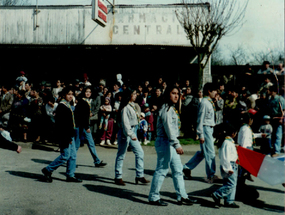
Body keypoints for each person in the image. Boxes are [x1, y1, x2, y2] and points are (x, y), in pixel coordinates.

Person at [148, 86, 197, 206]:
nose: (176, 96)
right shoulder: (166, 109)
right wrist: (177, 145)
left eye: (178, 93)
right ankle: (153, 196)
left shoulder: (172, 108)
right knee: (162, 169)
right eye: (173, 93)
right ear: (167, 95)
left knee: (178, 170)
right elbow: (169, 129)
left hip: (170, 142)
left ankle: (182, 196)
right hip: (165, 142)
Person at [41, 86, 82, 183]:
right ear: (64, 95)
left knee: (73, 156)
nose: (71, 96)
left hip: (70, 134)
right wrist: (67, 137)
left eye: (72, 94)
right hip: (64, 135)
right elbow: (61, 124)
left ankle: (70, 175)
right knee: (65, 156)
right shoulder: (61, 106)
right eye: (69, 94)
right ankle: (48, 169)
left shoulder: (68, 105)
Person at [183, 83, 218, 183]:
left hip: (209, 128)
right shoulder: (204, 103)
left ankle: (186, 167)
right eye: (214, 91)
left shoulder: (209, 102)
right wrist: (201, 134)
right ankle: (211, 175)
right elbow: (200, 120)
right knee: (210, 153)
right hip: (205, 128)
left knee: (203, 153)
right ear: (209, 91)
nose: (216, 93)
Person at [114, 89, 150, 186]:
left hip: (133, 130)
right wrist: (130, 134)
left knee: (140, 152)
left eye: (135, 94)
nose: (135, 95)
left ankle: (139, 175)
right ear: (129, 95)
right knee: (121, 154)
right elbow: (125, 123)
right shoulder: (125, 107)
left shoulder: (133, 105)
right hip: (126, 132)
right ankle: (118, 176)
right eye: (133, 94)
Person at [74, 87, 107, 168]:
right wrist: (86, 126)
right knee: (76, 145)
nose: (88, 93)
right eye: (86, 92)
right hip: (81, 125)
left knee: (91, 143)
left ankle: (97, 161)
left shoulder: (91, 100)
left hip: (86, 125)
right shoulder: (81, 101)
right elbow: (80, 116)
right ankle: (71, 161)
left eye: (89, 92)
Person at [211, 124, 239, 208]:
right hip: (229, 165)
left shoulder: (229, 142)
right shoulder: (227, 143)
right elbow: (225, 157)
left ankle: (229, 201)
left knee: (229, 183)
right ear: (232, 133)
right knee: (231, 184)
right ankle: (217, 194)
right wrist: (228, 168)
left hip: (232, 164)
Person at [237, 113, 265, 182]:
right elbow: (244, 141)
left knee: (246, 167)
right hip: (246, 149)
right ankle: (242, 180)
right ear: (250, 120)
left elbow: (251, 136)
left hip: (247, 148)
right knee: (244, 167)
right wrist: (244, 152)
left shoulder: (245, 127)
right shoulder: (246, 129)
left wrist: (260, 135)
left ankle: (245, 176)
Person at [267, 85, 285, 157]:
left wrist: (281, 118)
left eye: (270, 90)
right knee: (273, 135)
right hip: (272, 119)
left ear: (274, 91)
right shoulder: (270, 99)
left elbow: (283, 110)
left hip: (279, 118)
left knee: (278, 134)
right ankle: (273, 149)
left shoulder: (280, 99)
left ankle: (276, 151)